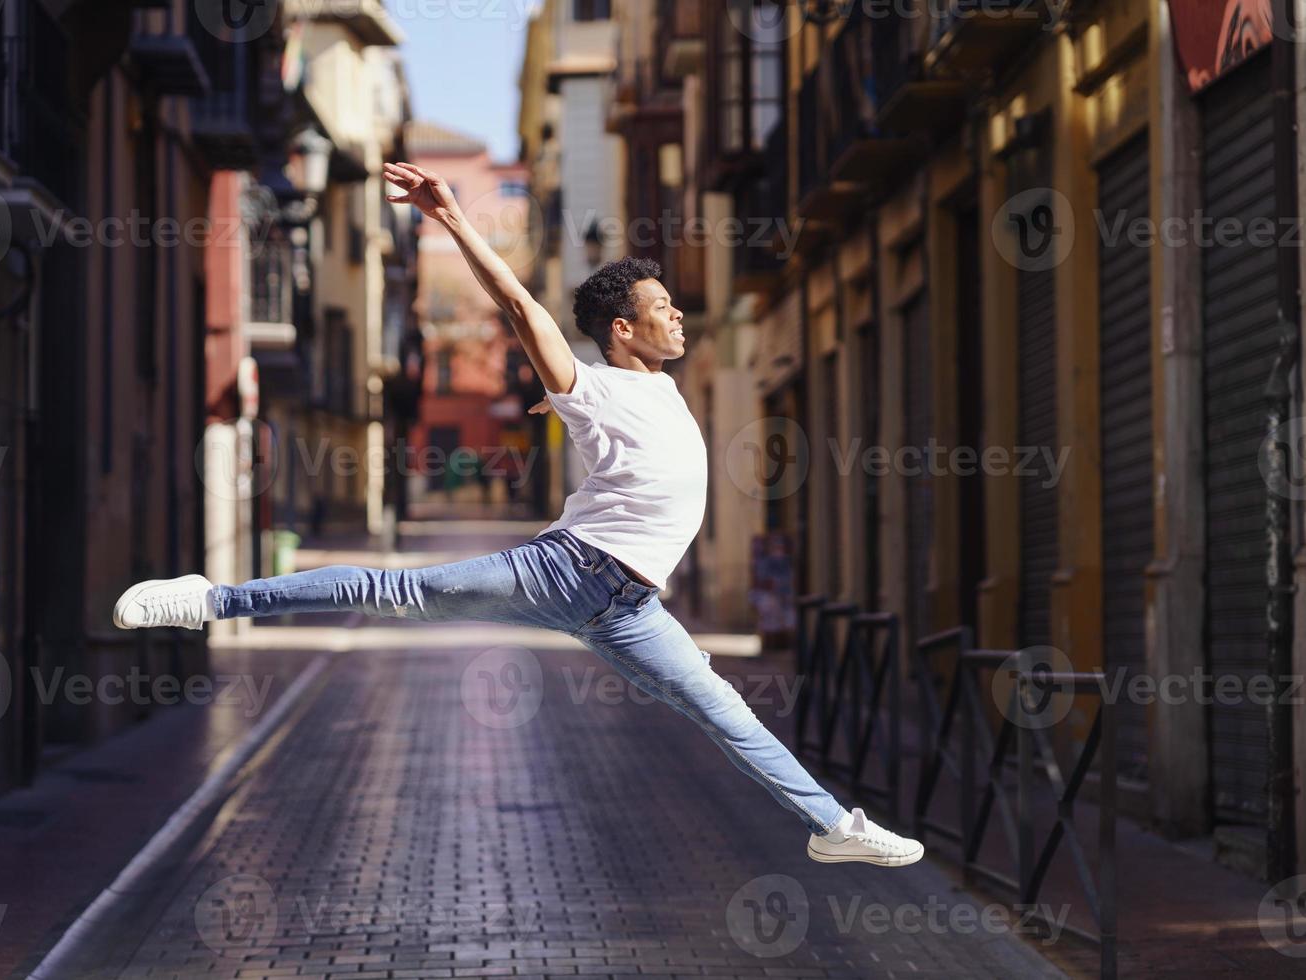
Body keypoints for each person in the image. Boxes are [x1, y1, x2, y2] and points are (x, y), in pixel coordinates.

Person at [113, 162, 923, 868]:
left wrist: (558, 404)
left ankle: (833, 826)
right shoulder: (594, 385)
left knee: (726, 712)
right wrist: (451, 217)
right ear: (622, 327)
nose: (678, 315)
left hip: (633, 607)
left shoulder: (655, 387)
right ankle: (210, 599)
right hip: (566, 572)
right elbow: (514, 302)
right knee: (389, 594)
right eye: (663, 306)